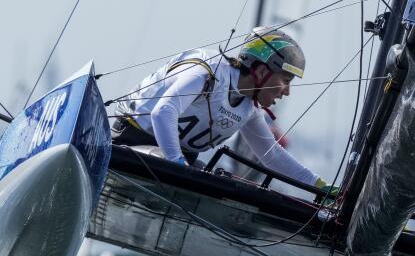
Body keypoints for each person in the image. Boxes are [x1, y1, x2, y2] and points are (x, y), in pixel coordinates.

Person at [111, 27, 334, 191]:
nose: (286, 92)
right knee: (195, 177)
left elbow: (272, 156)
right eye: (285, 80)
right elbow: (163, 111)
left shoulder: (249, 108)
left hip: (175, 161)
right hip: (129, 141)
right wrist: (176, 164)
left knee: (223, 183)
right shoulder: (207, 73)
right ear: (261, 71)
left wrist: (322, 188)